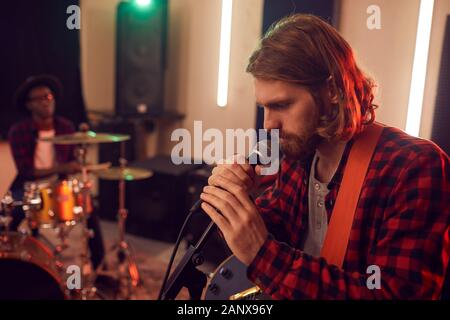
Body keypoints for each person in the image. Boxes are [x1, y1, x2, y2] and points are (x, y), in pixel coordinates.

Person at [200, 14, 449, 299]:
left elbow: (393, 294)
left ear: (331, 90)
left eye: (281, 104)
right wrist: (235, 203)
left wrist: (262, 255)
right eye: (264, 107)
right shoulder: (299, 154)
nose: (268, 124)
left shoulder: (414, 167)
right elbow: (274, 230)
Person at [6, 74, 105, 270]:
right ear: (29, 105)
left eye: (49, 97)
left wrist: (78, 159)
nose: (46, 102)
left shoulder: (65, 127)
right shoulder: (18, 131)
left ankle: (99, 264)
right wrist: (63, 167)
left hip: (59, 184)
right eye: (40, 98)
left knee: (88, 206)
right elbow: (26, 171)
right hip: (30, 186)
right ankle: (17, 267)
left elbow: (70, 163)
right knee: (11, 216)